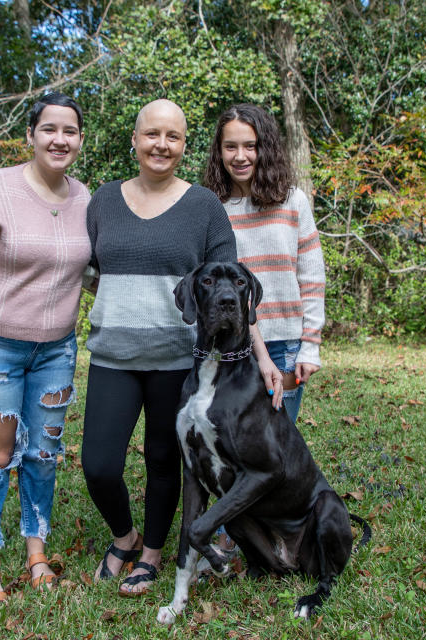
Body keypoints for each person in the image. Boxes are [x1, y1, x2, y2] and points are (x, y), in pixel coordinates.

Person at [81, 99, 282, 597]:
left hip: (178, 359)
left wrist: (261, 355)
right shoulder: (103, 200)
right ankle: (123, 536)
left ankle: (150, 554)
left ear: (184, 145)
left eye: (172, 137)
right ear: (134, 139)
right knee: (99, 464)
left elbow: (232, 292)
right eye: (151, 134)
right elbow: (87, 274)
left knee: (163, 459)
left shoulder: (203, 207)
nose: (160, 145)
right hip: (114, 356)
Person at [0, 92, 91, 606]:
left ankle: (36, 550)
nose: (59, 139)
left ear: (79, 140)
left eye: (69, 131)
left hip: (57, 351)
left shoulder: (85, 200)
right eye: (49, 129)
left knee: (44, 454)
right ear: (31, 135)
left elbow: (94, 269)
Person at [204, 103, 326, 424]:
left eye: (250, 146)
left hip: (284, 343)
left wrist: (310, 346)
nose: (240, 156)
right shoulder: (210, 208)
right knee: (230, 442)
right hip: (228, 343)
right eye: (230, 146)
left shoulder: (293, 201)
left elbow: (311, 279)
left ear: (264, 148)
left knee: (276, 443)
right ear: (219, 151)